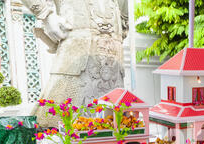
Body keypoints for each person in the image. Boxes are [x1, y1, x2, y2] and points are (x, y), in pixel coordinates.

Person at [21, 0, 129, 128]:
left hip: (113, 51)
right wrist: (46, 14)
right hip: (75, 43)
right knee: (58, 129)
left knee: (120, 130)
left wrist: (123, 23)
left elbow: (123, 13)